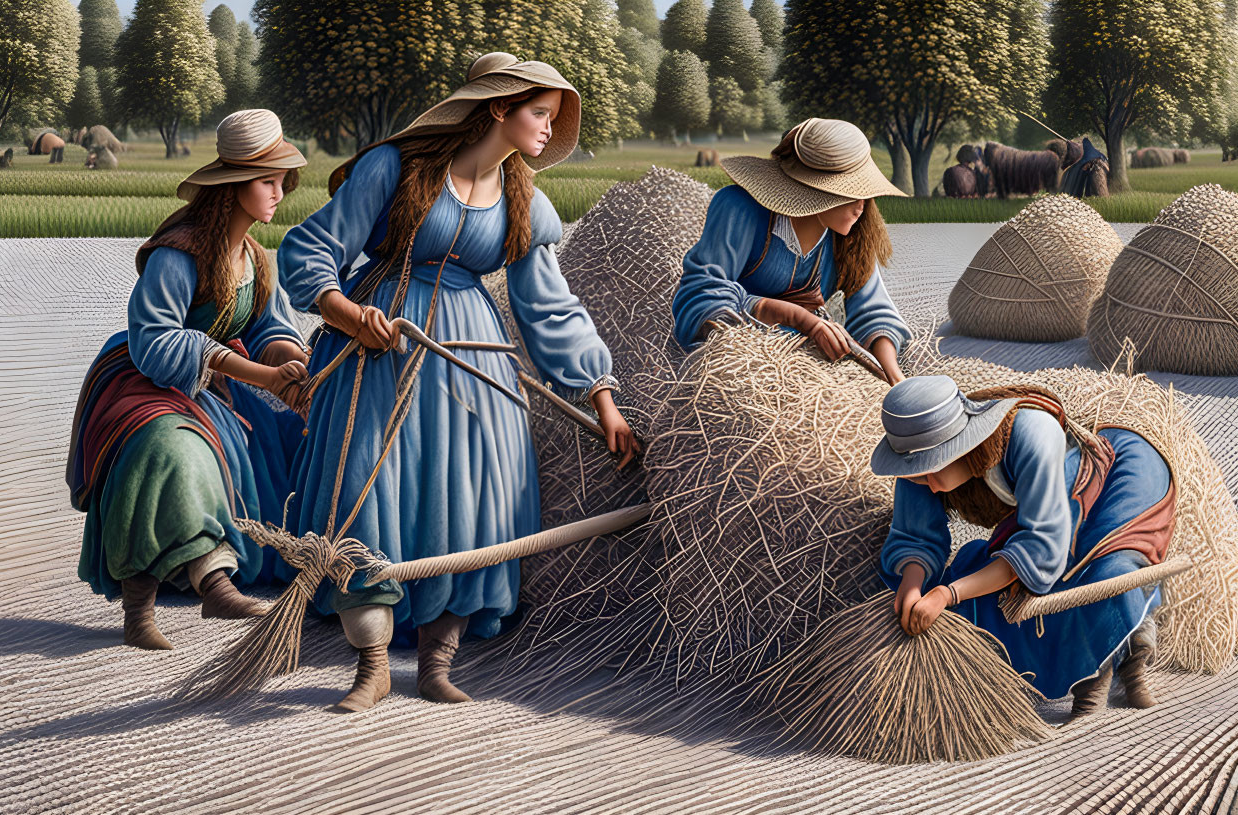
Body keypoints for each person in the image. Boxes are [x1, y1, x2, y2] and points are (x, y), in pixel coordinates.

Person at [278, 52, 640, 712]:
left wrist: (601, 396)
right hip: (381, 352)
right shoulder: (392, 170)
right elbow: (309, 251)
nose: (546, 129)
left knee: (471, 502)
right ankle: (373, 663)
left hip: (474, 365)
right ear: (497, 108)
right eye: (539, 113)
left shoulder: (525, 200)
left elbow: (550, 308)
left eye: (552, 118)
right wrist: (347, 314)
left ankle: (439, 661)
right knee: (367, 490)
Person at [67, 109, 310, 650]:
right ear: (233, 187)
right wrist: (261, 375)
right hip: (148, 381)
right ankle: (164, 598)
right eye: (267, 181)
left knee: (296, 439)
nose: (278, 192)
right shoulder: (178, 253)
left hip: (217, 386)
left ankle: (289, 567)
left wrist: (289, 364)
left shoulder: (252, 254)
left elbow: (269, 324)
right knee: (168, 451)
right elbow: (153, 341)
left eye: (280, 181)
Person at [871, 376, 1175, 720]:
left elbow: (1040, 549)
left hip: (1119, 477)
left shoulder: (1033, 433)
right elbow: (916, 537)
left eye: (930, 470)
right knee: (984, 587)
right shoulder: (919, 461)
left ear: (960, 445)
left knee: (1107, 573)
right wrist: (912, 588)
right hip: (1051, 511)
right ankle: (1095, 660)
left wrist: (947, 594)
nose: (924, 484)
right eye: (914, 475)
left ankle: (1110, 669)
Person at [671, 118, 912, 385]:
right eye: (849, 193)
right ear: (812, 191)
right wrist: (799, 319)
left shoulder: (851, 233)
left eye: (865, 193)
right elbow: (701, 299)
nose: (862, 206)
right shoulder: (738, 208)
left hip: (809, 367)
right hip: (739, 366)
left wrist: (891, 373)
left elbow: (873, 311)